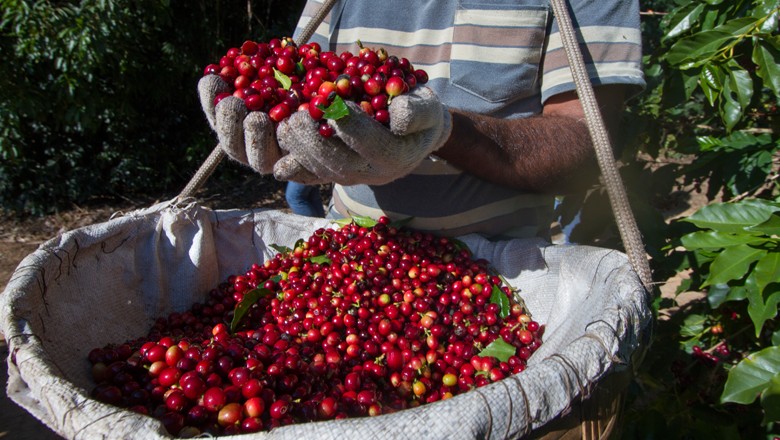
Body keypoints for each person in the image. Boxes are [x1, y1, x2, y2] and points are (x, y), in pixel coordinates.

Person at [199, 0, 645, 240]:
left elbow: (588, 150)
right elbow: (302, 90)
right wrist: (282, 136)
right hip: (350, 257)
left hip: (504, 278)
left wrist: (443, 133)